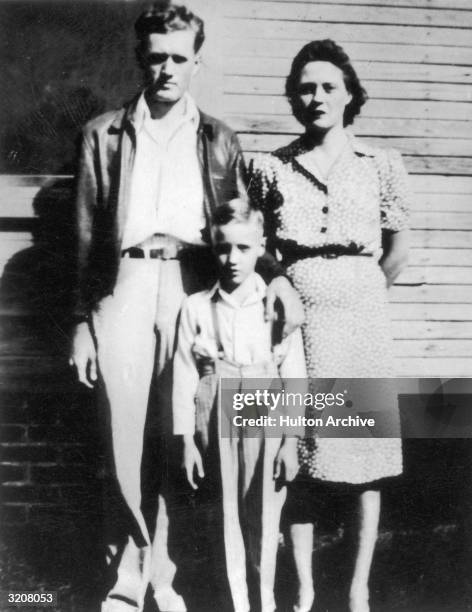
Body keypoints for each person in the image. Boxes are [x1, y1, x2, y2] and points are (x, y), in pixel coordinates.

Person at [68, 2, 303, 611]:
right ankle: (126, 576)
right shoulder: (103, 134)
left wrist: (273, 276)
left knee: (175, 434)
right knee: (121, 434)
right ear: (139, 59)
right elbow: (86, 234)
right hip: (121, 287)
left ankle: (164, 577)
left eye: (178, 57)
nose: (166, 69)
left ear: (197, 61)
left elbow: (241, 220)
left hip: (189, 284)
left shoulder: (218, 137)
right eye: (155, 57)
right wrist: (80, 323)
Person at [248, 39, 409, 612]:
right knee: (299, 455)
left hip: (362, 323)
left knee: (364, 456)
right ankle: (305, 590)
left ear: (349, 95)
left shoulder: (381, 165)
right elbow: (254, 246)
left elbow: (396, 251)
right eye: (305, 87)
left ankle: (357, 589)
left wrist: (357, 289)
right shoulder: (269, 167)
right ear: (293, 96)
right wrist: (282, 280)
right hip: (297, 325)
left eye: (327, 87)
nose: (315, 97)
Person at [172, 199, 307, 612]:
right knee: (225, 512)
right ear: (212, 247)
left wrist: (289, 441)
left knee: (265, 513)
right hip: (215, 420)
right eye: (223, 248)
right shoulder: (196, 306)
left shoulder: (275, 307)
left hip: (266, 416)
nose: (232, 259)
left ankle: (263, 600)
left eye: (244, 248)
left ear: (261, 246)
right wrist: (186, 441)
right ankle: (234, 602)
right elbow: (183, 375)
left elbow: (295, 376)